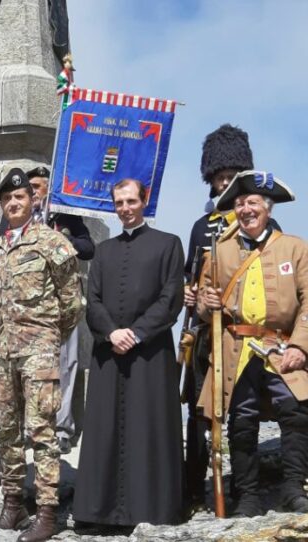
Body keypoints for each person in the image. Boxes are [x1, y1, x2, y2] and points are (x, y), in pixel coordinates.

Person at [73, 179, 185, 530]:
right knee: (105, 430)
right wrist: (111, 332)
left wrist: (136, 333)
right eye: (119, 202)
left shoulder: (168, 244)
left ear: (144, 200)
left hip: (149, 353)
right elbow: (93, 302)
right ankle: (99, 511)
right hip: (110, 352)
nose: (125, 208)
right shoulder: (104, 251)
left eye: (131, 201)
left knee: (147, 429)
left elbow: (171, 300)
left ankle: (149, 510)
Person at [197, 171, 308, 517]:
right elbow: (201, 305)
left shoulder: (295, 247)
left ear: (268, 209)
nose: (245, 208)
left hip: (281, 347)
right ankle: (247, 496)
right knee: (241, 421)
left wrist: (300, 348)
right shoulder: (219, 251)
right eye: (240, 203)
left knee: (295, 412)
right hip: (236, 349)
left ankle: (293, 488)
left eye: (253, 203)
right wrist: (206, 303)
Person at [181, 124, 281, 508]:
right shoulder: (200, 227)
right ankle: (191, 489)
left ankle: (244, 488)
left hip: (246, 338)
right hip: (205, 334)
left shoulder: (264, 224)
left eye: (230, 178)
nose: (224, 184)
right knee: (198, 411)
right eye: (219, 178)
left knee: (245, 413)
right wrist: (187, 293)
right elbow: (186, 276)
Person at [0, 168, 83, 542]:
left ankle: (46, 511)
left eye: (20, 197)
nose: (13, 203)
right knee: (6, 430)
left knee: (41, 431)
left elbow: (73, 303)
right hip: (4, 351)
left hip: (39, 350)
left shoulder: (52, 242)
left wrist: (48, 337)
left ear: (33, 200)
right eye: (7, 199)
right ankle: (13, 504)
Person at [25, 165, 94, 454]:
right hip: (29, 305)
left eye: (37, 188)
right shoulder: (19, 219)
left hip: (63, 303)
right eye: (29, 190)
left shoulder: (65, 215)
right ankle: (32, 426)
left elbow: (89, 248)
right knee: (29, 367)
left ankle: (63, 429)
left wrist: (63, 239)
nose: (33, 194)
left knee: (66, 365)